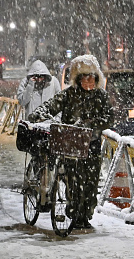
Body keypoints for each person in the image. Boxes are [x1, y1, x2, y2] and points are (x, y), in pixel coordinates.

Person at [28, 55, 113, 229]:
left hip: (92, 145)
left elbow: (109, 118)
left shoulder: (102, 96)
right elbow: (51, 104)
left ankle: (85, 215)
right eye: (84, 77)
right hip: (71, 145)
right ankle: (73, 212)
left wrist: (91, 125)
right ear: (78, 79)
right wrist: (38, 113)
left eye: (91, 77)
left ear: (96, 79)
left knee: (90, 182)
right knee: (73, 180)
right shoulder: (69, 94)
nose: (88, 81)